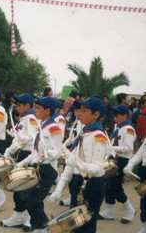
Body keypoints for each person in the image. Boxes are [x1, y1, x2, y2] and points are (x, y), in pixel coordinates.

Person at [49, 96, 107, 233]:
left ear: (96, 114)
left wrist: (79, 164)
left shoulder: (99, 136)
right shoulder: (83, 133)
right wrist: (59, 189)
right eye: (80, 110)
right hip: (77, 182)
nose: (79, 113)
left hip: (92, 185)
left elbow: (97, 168)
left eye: (85, 111)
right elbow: (70, 165)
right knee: (74, 227)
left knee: (86, 228)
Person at [15, 96, 63, 233]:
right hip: (38, 168)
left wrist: (46, 150)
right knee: (32, 202)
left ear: (47, 111)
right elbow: (34, 153)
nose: (34, 110)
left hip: (48, 170)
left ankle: (47, 229)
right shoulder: (42, 125)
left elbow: (57, 153)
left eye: (38, 108)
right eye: (35, 107)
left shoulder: (54, 128)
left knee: (33, 203)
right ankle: (39, 229)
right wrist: (21, 164)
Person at [0, 93, 38, 231]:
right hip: (22, 153)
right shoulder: (23, 119)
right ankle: (17, 215)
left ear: (28, 105)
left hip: (30, 155)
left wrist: (20, 137)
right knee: (18, 187)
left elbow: (34, 139)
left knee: (27, 188)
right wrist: (9, 151)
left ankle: (30, 217)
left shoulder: (31, 119)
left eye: (20, 105)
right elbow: (18, 141)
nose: (18, 107)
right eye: (17, 104)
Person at [98, 105, 136, 224]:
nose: (115, 118)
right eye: (114, 116)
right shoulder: (118, 128)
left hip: (122, 160)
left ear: (125, 116)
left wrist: (112, 147)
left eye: (117, 116)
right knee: (108, 185)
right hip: (114, 159)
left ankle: (129, 209)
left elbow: (129, 148)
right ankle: (109, 212)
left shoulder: (128, 128)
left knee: (115, 186)